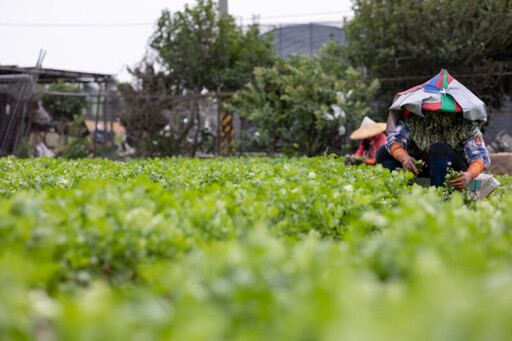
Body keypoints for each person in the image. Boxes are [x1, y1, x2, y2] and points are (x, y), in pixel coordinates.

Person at [376, 69, 490, 188]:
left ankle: (439, 195)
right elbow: (395, 140)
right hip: (419, 166)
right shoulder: (415, 120)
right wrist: (404, 158)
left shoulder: (466, 126)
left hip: (454, 170)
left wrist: (469, 175)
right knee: (382, 152)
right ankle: (394, 191)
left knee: (438, 148)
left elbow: (480, 157)